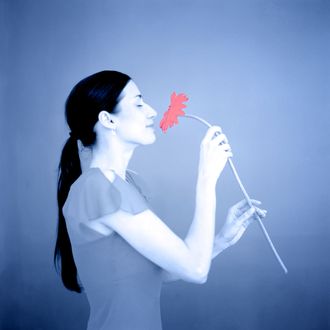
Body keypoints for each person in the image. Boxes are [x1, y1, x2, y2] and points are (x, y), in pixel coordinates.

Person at [54, 70, 267, 330]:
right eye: (139, 103)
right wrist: (206, 178)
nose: (152, 111)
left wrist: (221, 239)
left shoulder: (128, 184)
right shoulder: (96, 188)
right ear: (108, 119)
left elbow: (160, 272)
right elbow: (196, 270)